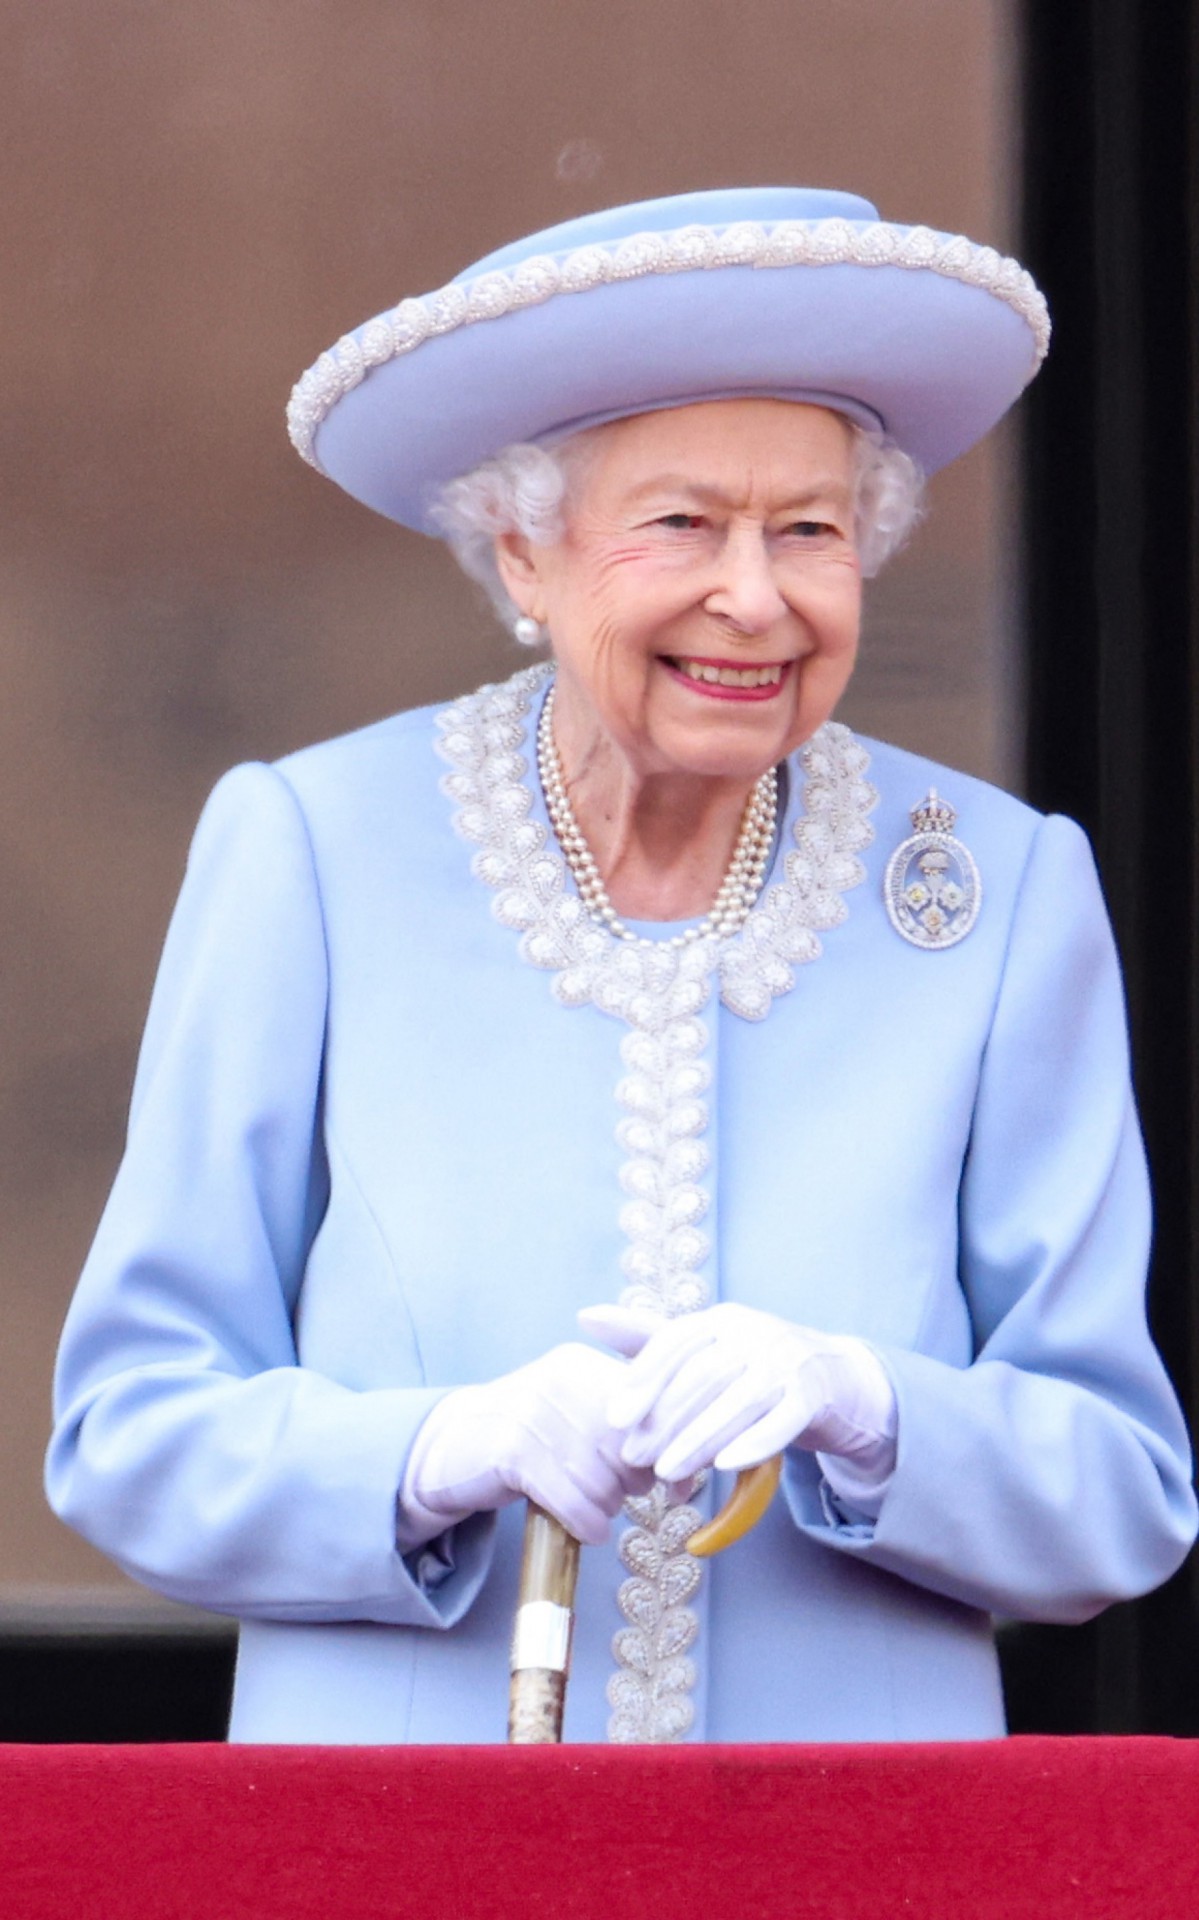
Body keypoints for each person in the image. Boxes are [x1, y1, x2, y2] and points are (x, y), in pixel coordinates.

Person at [46, 188, 1197, 1745]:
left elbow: (1122, 1492)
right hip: (400, 1847)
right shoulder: (313, 850)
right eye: (681, 524)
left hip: (857, 1854)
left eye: (811, 530)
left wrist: (873, 1409)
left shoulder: (998, 891)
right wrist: (438, 1449)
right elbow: (128, 1436)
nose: (756, 595)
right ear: (522, 553)